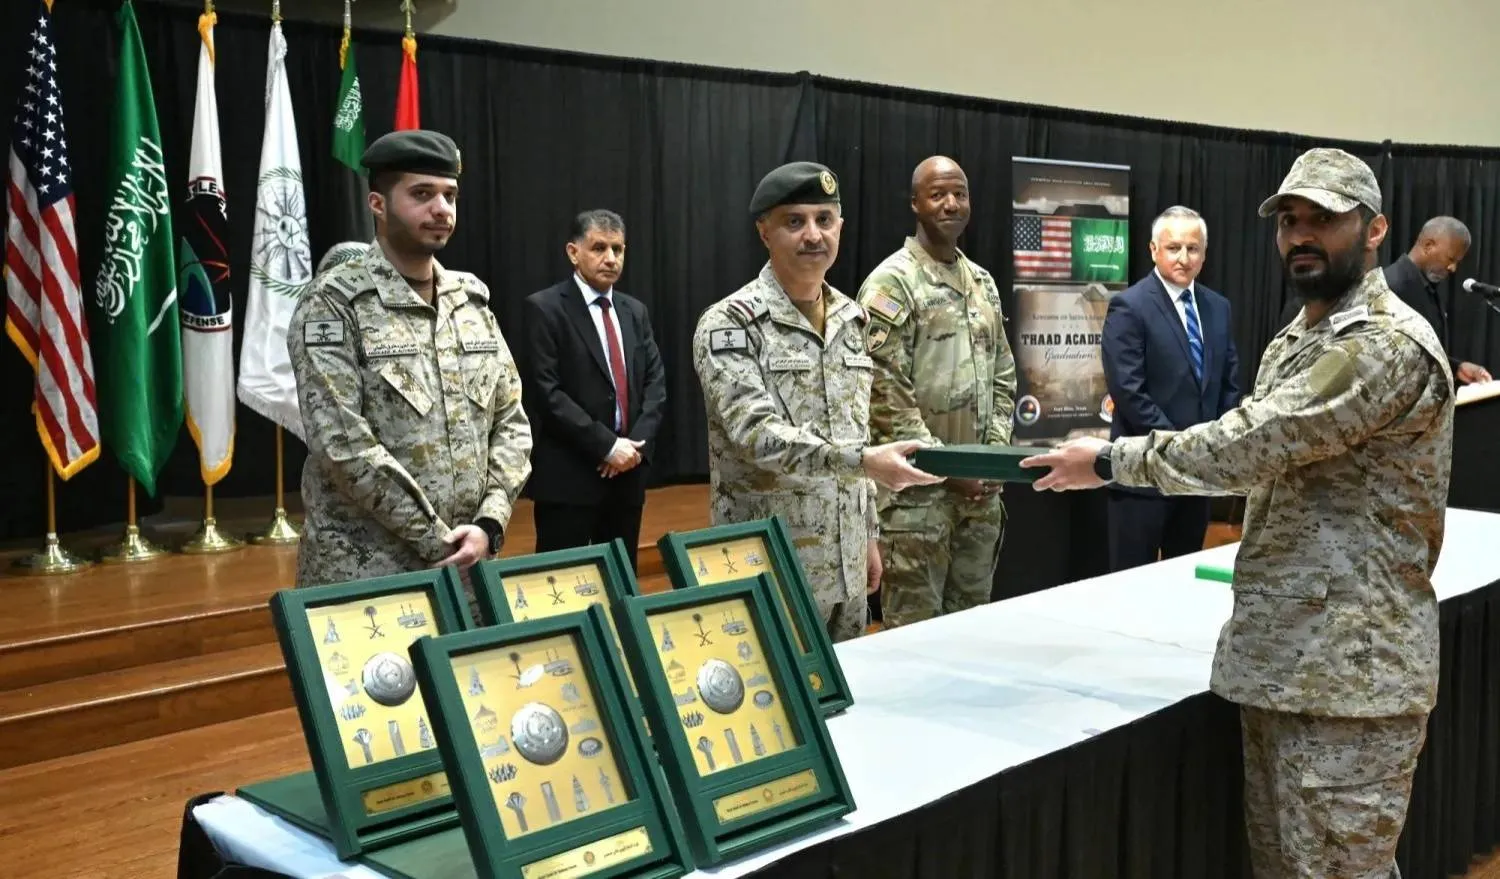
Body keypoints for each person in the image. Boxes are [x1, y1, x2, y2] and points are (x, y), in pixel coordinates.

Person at [1021, 147, 1454, 878]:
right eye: (1289, 220)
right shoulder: (1303, 334)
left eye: (1323, 218)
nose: (1301, 234)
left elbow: (1256, 441)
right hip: (1284, 662)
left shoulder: (1383, 345)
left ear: (1375, 229)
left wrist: (1111, 460)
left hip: (1352, 680)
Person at [692, 161, 943, 642]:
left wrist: (868, 535)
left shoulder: (852, 319)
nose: (813, 235)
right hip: (767, 567)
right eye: (795, 221)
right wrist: (864, 461)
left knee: (846, 683)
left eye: (824, 220)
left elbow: (855, 430)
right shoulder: (731, 324)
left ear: (840, 228)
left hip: (846, 565)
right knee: (775, 687)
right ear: (764, 232)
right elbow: (756, 436)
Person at [288, 129, 533, 615]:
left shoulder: (470, 300)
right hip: (370, 575)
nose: (441, 209)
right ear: (378, 204)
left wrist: (489, 523)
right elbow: (342, 445)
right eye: (422, 194)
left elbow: (511, 421)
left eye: (450, 195)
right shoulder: (334, 303)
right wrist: (441, 540)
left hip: (470, 570)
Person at [856, 156, 1016, 628]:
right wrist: (950, 468)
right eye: (937, 194)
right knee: (914, 640)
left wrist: (992, 458)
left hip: (980, 501)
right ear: (915, 204)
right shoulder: (892, 283)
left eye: (959, 194)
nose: (951, 204)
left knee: (972, 632)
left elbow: (1004, 374)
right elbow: (884, 393)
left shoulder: (981, 282)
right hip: (916, 503)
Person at [519, 210, 667, 571]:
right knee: (560, 583)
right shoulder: (545, 308)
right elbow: (547, 393)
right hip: (570, 476)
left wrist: (632, 449)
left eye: (618, 249)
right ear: (573, 252)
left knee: (621, 581)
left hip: (627, 475)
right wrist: (607, 446)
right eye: (599, 248)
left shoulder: (635, 311)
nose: (611, 258)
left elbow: (655, 385)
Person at [1099, 205, 1240, 571]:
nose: (1183, 258)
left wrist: (1212, 444)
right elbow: (1129, 391)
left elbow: (1228, 382)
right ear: (1153, 250)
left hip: (1195, 480)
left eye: (1193, 249)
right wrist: (1179, 449)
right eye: (1173, 247)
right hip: (1141, 477)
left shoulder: (1219, 307)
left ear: (1204, 254)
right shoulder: (1129, 306)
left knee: (1182, 582)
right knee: (1131, 588)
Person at [1384, 216, 1491, 385]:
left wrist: (1456, 368)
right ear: (1428, 246)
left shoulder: (1426, 285)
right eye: (1451, 259)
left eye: (1457, 262)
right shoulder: (1390, 286)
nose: (1453, 268)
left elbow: (1422, 353)